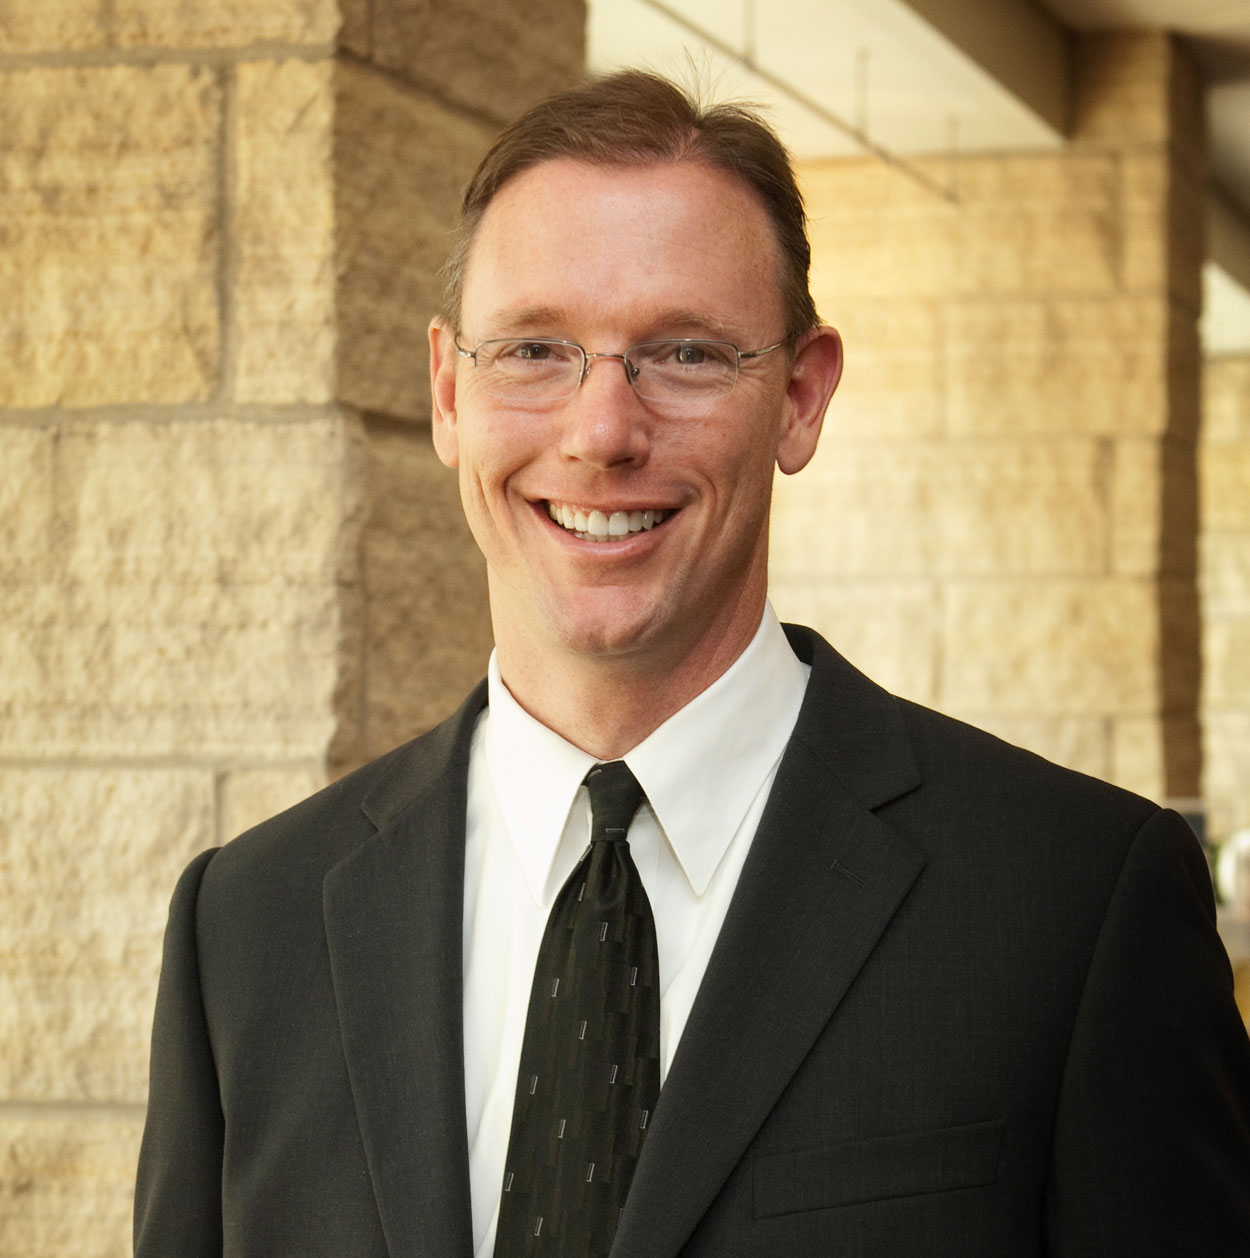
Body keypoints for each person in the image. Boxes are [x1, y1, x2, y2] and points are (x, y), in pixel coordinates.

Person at [134, 71, 1250, 1258]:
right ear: (448, 392)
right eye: (532, 349)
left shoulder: (1074, 905)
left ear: (801, 398)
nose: (602, 430)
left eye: (682, 353)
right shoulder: (247, 929)